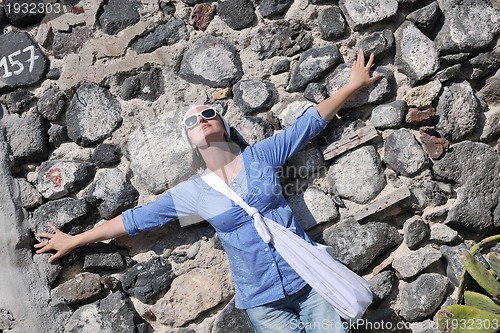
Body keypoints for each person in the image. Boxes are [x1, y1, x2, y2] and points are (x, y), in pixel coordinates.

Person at [35, 50, 382, 333]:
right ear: (190, 140)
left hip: (308, 281)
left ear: (224, 125)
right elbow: (136, 220)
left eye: (209, 113)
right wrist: (74, 240)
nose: (201, 119)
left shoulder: (259, 157)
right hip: (262, 303)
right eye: (192, 120)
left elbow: (307, 125)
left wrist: (352, 86)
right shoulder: (194, 194)